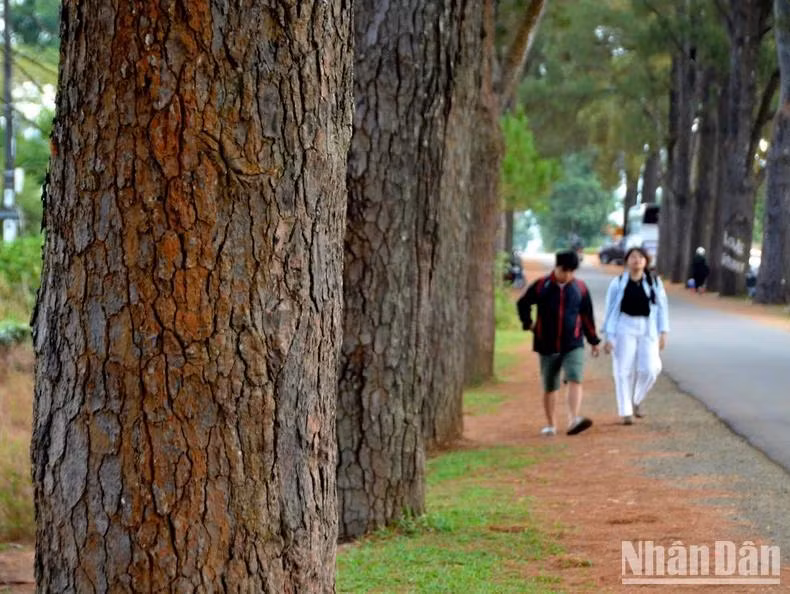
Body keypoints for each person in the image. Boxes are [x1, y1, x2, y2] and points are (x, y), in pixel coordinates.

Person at [517, 250, 601, 437]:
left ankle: (573, 419)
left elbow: (587, 316)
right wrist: (528, 324)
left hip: (573, 343)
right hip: (546, 344)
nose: (568, 275)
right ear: (557, 267)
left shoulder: (580, 288)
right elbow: (523, 303)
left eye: (572, 271)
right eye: (565, 270)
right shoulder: (541, 285)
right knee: (550, 386)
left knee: (575, 377)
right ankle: (551, 425)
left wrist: (593, 340)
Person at [602, 247, 670, 425]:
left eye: (640, 257)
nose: (637, 260)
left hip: (648, 326)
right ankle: (626, 411)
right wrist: (609, 336)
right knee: (623, 369)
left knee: (651, 368)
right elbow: (610, 310)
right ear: (627, 261)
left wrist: (664, 331)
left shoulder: (654, 282)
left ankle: (637, 398)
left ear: (646, 261)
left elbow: (662, 307)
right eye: (633, 257)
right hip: (624, 326)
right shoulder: (618, 283)